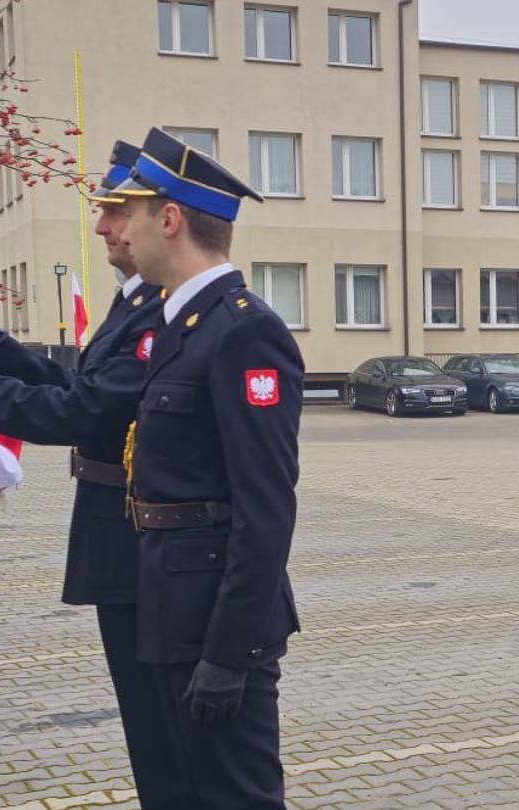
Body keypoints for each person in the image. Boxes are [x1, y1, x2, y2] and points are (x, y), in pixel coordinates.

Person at [0, 141, 193, 806]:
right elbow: (73, 382)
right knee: (149, 733)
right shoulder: (133, 304)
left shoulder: (158, 310)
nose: (102, 226)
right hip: (118, 539)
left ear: (159, 217)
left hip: (138, 543)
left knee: (165, 738)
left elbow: (84, 411)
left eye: (113, 213)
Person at [85, 127, 307, 806]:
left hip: (216, 624)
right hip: (166, 603)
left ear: (171, 219)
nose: (114, 227)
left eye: (133, 213)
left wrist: (229, 653)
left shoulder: (243, 330)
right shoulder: (183, 326)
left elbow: (265, 510)